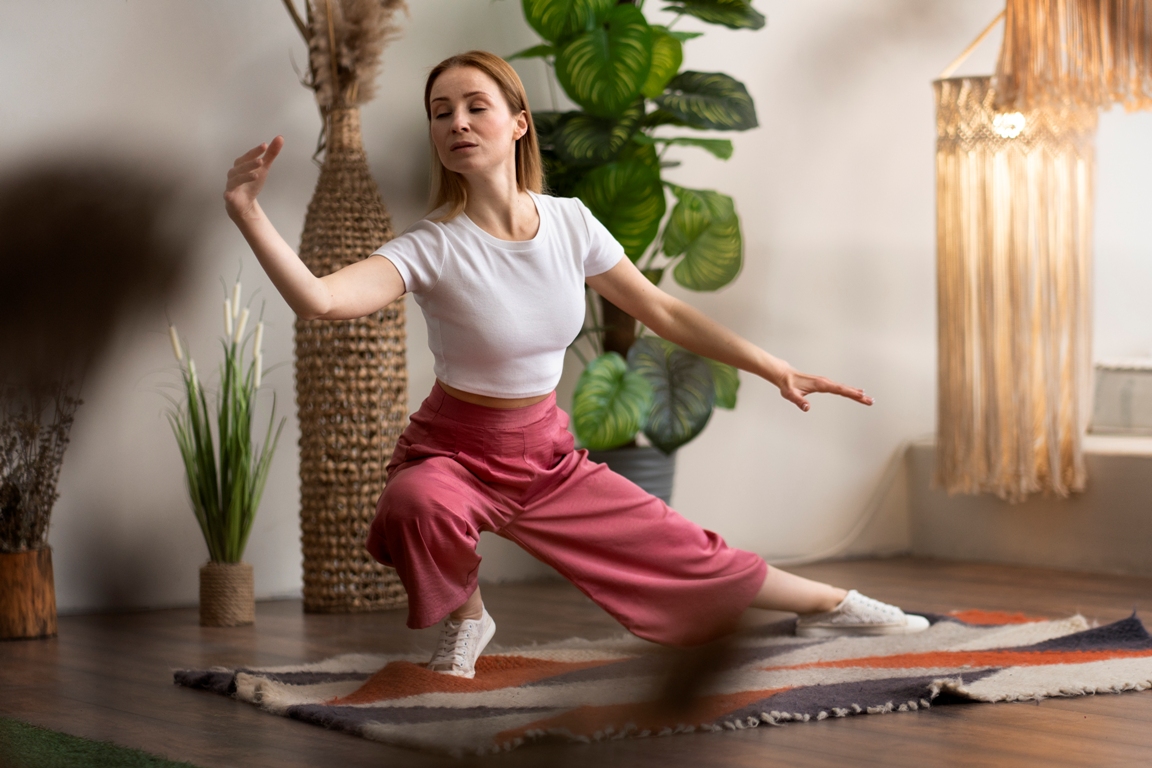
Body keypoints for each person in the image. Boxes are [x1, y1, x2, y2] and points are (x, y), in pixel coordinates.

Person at [224, 50, 928, 679]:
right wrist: (249, 212)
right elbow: (319, 301)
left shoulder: (570, 223)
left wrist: (774, 366)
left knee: (691, 553)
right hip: (455, 451)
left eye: (476, 107)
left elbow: (667, 313)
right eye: (442, 113)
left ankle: (836, 603)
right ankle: (468, 620)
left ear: (519, 123)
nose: (457, 123)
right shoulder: (433, 246)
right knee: (416, 501)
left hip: (546, 455)